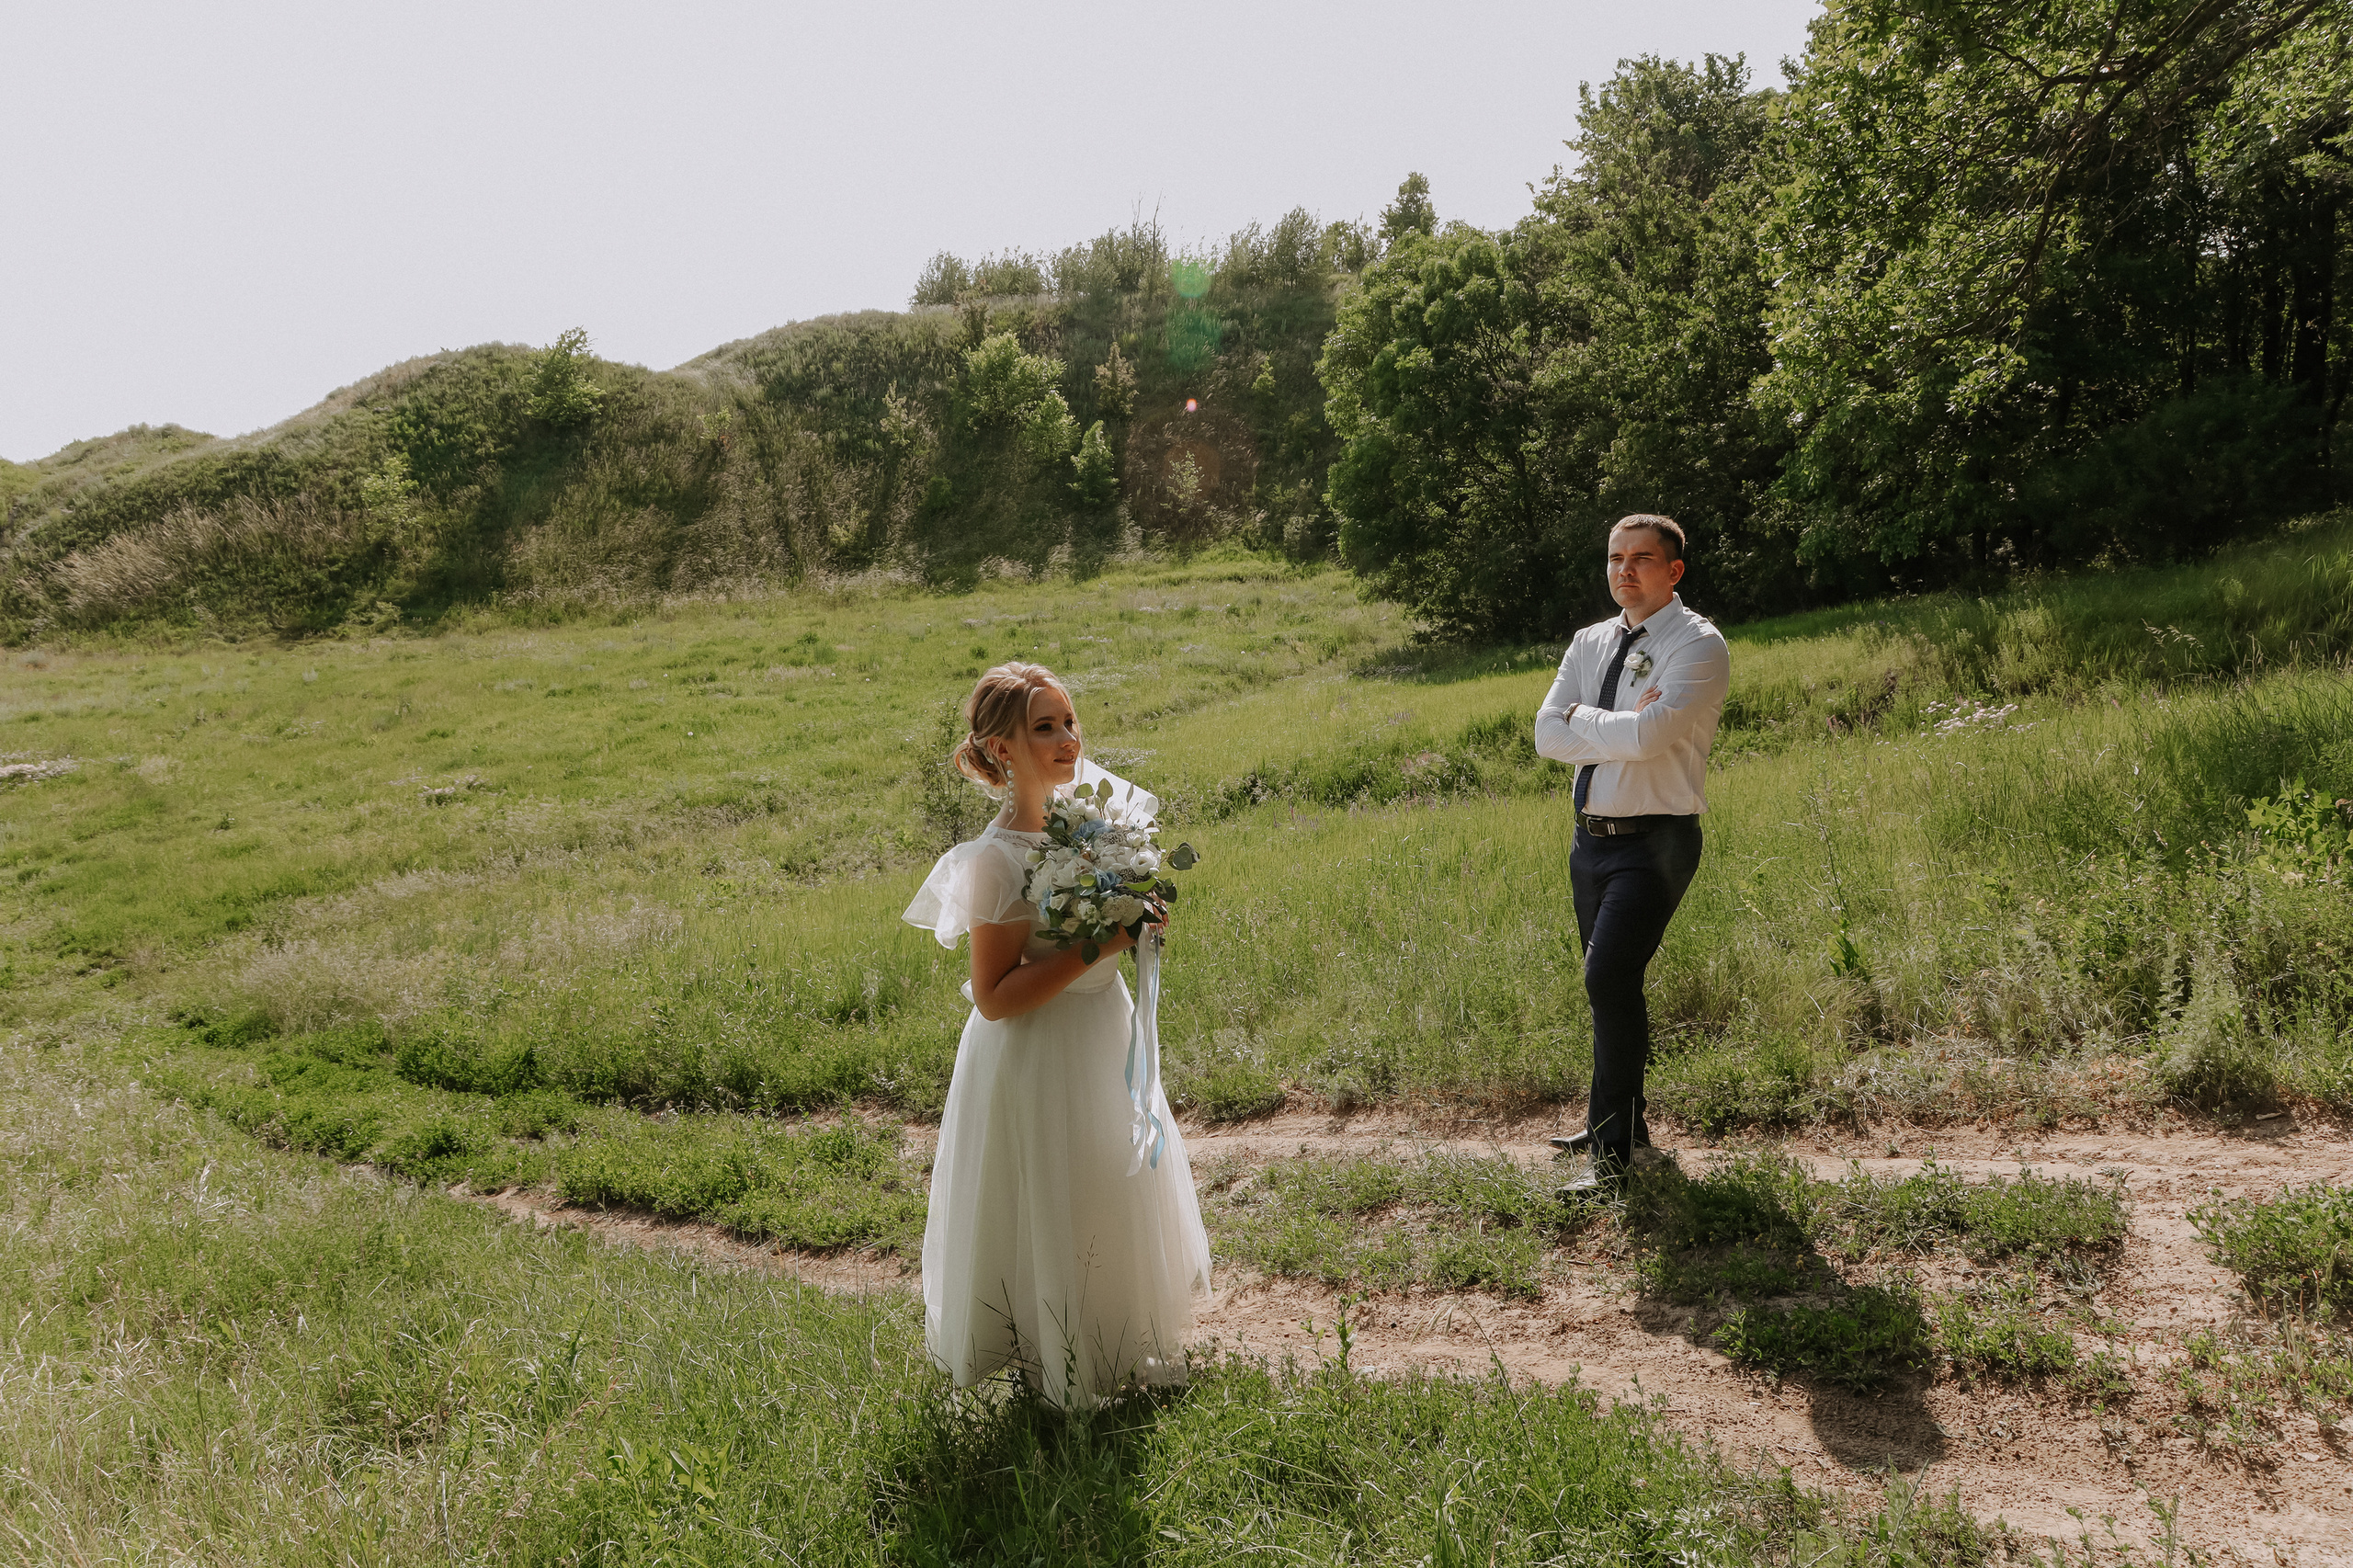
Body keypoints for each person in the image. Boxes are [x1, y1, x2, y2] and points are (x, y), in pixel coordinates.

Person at [903, 662, 1212, 1407]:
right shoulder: (994, 863)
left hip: (1106, 1036)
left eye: (1070, 721)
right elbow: (996, 998)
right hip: (1036, 1056)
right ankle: (1055, 1372)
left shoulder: (1097, 829)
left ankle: (1116, 1346)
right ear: (1001, 749)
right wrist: (1103, 945)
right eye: (1044, 726)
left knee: (1111, 1181)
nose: (1068, 738)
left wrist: (1140, 925)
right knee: (1050, 1195)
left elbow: (1118, 924)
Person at [1533, 516, 1731, 1197]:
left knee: (1606, 981)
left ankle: (1611, 1160)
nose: (1625, 571)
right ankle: (1624, 1124)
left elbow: (1650, 739)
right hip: (1590, 840)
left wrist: (1584, 721)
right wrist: (1613, 724)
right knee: (1611, 990)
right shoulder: (1590, 640)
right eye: (1616, 558)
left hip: (1657, 843)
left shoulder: (1698, 645)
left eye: (1642, 559)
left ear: (1673, 571)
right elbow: (1543, 734)